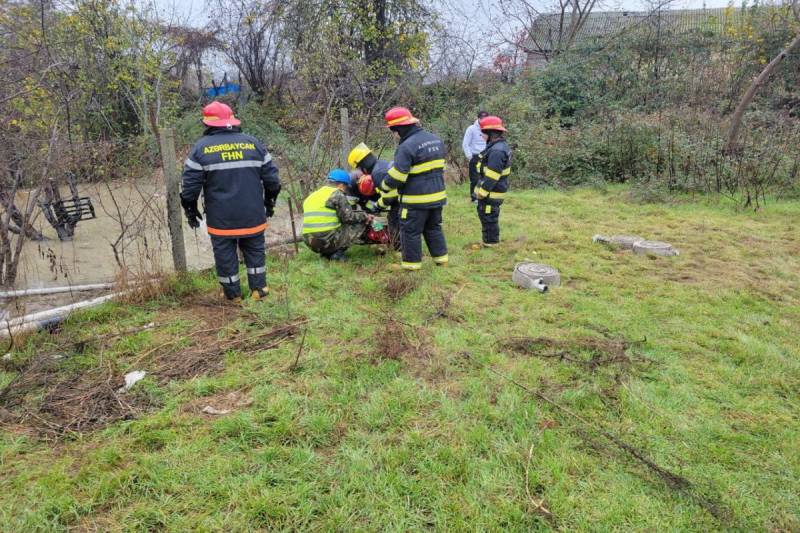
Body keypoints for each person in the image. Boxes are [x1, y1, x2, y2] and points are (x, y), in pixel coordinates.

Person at [180, 101, 281, 302]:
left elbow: (189, 188)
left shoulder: (200, 148)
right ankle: (259, 291)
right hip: (253, 214)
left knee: (225, 256)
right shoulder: (253, 143)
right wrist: (269, 204)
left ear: (207, 124)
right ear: (232, 121)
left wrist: (190, 210)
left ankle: (233, 296)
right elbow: (273, 181)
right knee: (255, 251)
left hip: (221, 219)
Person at [380, 106, 448, 270]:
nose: (393, 135)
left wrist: (384, 185)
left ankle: (411, 267)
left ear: (398, 128)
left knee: (410, 232)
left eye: (393, 130)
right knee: (433, 228)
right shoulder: (435, 140)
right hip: (437, 196)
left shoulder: (406, 146)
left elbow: (399, 175)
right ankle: (442, 261)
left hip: (415, 201)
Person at [302, 168, 373, 261]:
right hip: (326, 239)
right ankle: (337, 253)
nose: (345, 190)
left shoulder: (312, 196)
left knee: (336, 226)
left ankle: (326, 253)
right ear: (341, 185)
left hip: (309, 241)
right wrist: (365, 216)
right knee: (360, 222)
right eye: (345, 187)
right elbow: (349, 218)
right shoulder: (336, 194)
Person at [347, 143, 401, 249]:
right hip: (401, 197)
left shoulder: (377, 174)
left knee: (393, 221)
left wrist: (377, 206)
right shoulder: (381, 166)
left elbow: (389, 196)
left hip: (400, 199)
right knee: (383, 220)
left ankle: (398, 247)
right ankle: (388, 240)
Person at [475, 115, 511, 247]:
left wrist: (482, 193)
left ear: (490, 133)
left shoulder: (497, 151)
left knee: (489, 217)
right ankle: (489, 241)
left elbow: (492, 176)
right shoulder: (498, 146)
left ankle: (491, 244)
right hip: (493, 191)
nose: (481, 136)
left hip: (492, 193)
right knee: (487, 215)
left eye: (482, 134)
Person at [462, 110, 489, 203]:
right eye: (482, 119)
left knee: (486, 178)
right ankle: (474, 199)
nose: (483, 120)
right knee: (475, 179)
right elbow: (465, 144)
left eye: (485, 119)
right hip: (475, 156)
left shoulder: (489, 128)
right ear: (478, 118)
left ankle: (483, 197)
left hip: (486, 156)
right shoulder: (471, 129)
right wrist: (470, 157)